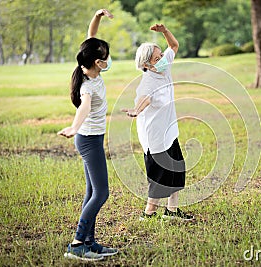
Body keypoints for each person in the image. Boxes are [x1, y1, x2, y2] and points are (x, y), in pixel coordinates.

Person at [57, 9, 118, 261]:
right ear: (97, 62)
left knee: (92, 191)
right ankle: (77, 244)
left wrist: (97, 16)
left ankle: (90, 242)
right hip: (88, 140)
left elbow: (91, 37)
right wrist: (73, 127)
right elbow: (83, 107)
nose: (108, 60)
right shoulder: (88, 86)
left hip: (92, 139)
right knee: (101, 193)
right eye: (105, 57)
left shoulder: (91, 67)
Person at [121, 24, 194, 221]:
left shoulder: (164, 67)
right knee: (159, 177)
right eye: (156, 59)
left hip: (169, 132)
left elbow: (175, 45)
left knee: (177, 169)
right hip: (155, 138)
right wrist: (136, 110)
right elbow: (145, 99)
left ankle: (172, 211)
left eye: (160, 55)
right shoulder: (148, 81)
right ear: (146, 65)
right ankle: (149, 214)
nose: (161, 59)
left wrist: (164, 31)